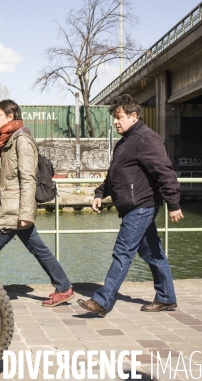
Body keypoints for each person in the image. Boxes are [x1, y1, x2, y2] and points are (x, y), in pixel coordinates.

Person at [78, 94, 183, 317]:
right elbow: (115, 175)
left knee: (122, 252)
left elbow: (165, 172)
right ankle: (166, 298)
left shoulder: (147, 139)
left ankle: (102, 301)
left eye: (119, 117)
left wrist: (174, 203)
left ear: (133, 116)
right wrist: (100, 193)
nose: (115, 122)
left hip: (141, 206)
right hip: (132, 207)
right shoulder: (125, 142)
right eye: (114, 118)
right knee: (153, 254)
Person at [0, 100, 74, 307]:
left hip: (16, 209)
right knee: (39, 249)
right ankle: (64, 287)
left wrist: (26, 213)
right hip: (12, 206)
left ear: (10, 117)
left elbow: (28, 179)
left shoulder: (22, 140)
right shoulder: (6, 140)